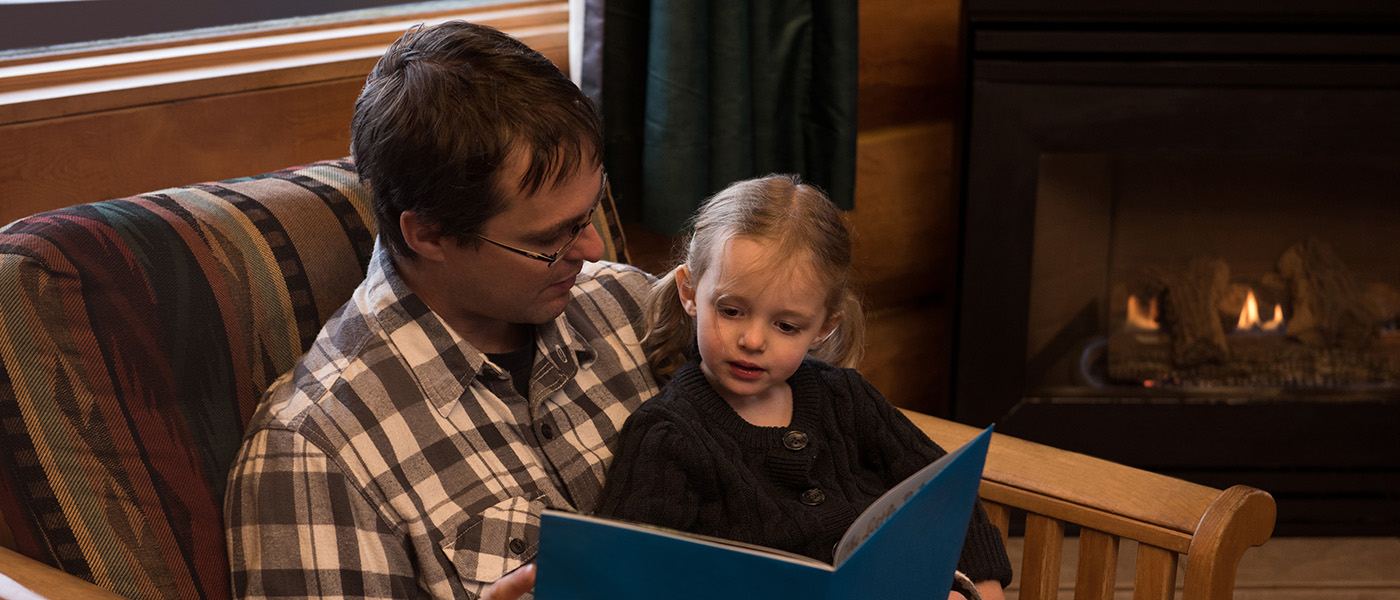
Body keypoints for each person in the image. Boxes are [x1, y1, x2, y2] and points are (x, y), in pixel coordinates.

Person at [223, 21, 658, 600]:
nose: (593, 250)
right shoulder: (316, 451)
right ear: (428, 234)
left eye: (592, 210)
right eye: (553, 237)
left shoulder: (633, 308)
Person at [593, 175, 1013, 600]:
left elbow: (945, 495)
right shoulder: (667, 435)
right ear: (689, 293)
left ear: (823, 327)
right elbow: (627, 572)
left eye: (786, 325)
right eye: (732, 310)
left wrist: (981, 588)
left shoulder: (845, 398)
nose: (753, 341)